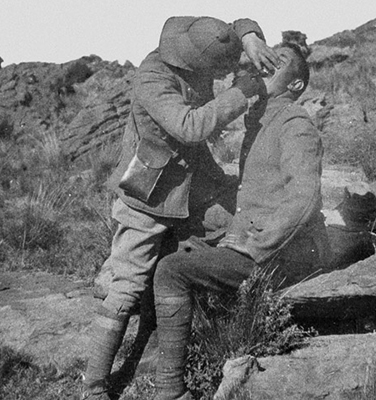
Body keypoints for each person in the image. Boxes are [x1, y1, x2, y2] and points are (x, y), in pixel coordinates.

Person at [82, 16, 281, 400]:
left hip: (195, 186)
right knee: (127, 286)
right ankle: (92, 386)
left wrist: (252, 37)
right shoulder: (151, 78)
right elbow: (189, 127)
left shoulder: (195, 42)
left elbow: (234, 26)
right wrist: (241, 92)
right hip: (149, 197)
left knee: (244, 226)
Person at [151, 42, 330, 400]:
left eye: (274, 65)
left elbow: (304, 198)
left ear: (295, 85)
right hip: (266, 243)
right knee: (174, 246)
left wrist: (253, 245)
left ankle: (169, 391)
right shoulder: (262, 121)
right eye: (260, 63)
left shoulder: (294, 124)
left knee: (171, 270)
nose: (262, 69)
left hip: (283, 254)